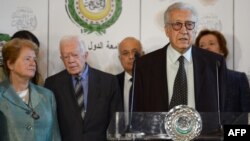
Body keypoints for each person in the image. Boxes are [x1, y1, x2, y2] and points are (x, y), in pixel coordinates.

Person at [134, 2, 227, 113]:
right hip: (159, 130)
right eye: (177, 24)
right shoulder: (144, 65)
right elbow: (138, 113)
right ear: (167, 30)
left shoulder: (215, 63)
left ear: (195, 29)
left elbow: (223, 107)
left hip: (204, 130)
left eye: (189, 24)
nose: (184, 31)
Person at [44, 35, 122, 141]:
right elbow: (50, 124)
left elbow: (116, 124)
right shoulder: (52, 84)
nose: (70, 60)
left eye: (75, 55)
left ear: (85, 55)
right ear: (61, 58)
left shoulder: (109, 82)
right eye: (66, 56)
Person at [0, 38, 61, 140]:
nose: (33, 63)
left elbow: (55, 136)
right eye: (27, 59)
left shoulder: (47, 96)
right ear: (10, 64)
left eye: (34, 59)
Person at [195, 29, 250, 112]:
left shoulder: (238, 79)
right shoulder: (193, 79)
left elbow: (247, 114)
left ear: (222, 50)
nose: (206, 48)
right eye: (202, 45)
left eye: (211, 43)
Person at [116, 37, 144, 125]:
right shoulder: (113, 82)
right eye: (125, 53)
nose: (131, 57)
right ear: (120, 58)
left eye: (135, 52)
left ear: (143, 55)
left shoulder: (154, 82)